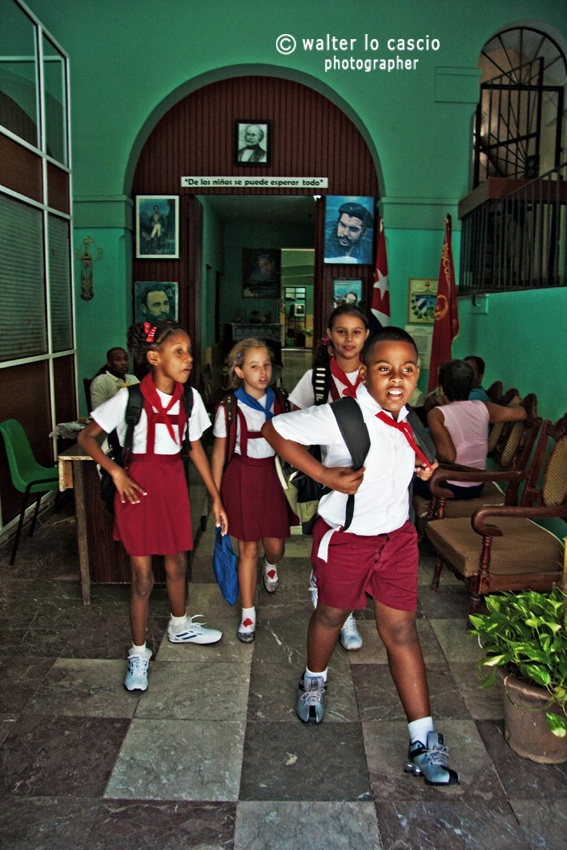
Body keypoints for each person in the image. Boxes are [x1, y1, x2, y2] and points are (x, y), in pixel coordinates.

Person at [262, 326, 461, 787]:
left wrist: (427, 473)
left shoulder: (410, 418)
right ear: (366, 373)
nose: (397, 378)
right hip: (347, 540)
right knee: (331, 615)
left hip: (397, 540)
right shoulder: (343, 415)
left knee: (401, 631)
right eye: (385, 369)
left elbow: (411, 465)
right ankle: (313, 679)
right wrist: (323, 475)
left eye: (407, 370)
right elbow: (274, 429)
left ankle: (423, 738)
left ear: (417, 375)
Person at [77, 321, 228, 693]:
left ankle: (179, 626)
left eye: (189, 352)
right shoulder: (129, 398)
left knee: (177, 562)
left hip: (173, 485)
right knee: (143, 578)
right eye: (179, 352)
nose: (189, 359)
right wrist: (114, 471)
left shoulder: (189, 398)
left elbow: (194, 448)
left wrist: (216, 496)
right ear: (154, 358)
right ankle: (139, 652)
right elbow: (87, 437)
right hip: (138, 489)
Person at [288, 303, 370, 651]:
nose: (348, 339)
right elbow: (291, 425)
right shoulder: (317, 378)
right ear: (329, 337)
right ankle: (341, 610)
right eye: (341, 331)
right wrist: (315, 470)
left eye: (356, 332)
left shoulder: (376, 373)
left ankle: (343, 602)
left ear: (367, 336)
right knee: (333, 541)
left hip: (371, 476)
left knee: (359, 544)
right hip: (328, 478)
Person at [211, 339, 292, 643]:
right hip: (242, 476)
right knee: (247, 548)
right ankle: (248, 612)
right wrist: (216, 496)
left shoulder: (280, 400)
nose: (263, 372)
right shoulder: (229, 408)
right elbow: (218, 454)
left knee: (275, 546)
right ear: (239, 371)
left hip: (271, 476)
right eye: (254, 366)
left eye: (267, 365)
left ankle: (270, 565)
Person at [414, 358, 527, 501]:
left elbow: (449, 457)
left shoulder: (437, 415)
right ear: (470, 386)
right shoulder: (483, 407)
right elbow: (521, 413)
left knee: (402, 475)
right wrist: (515, 403)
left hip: (448, 485)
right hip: (476, 485)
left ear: (441, 388)